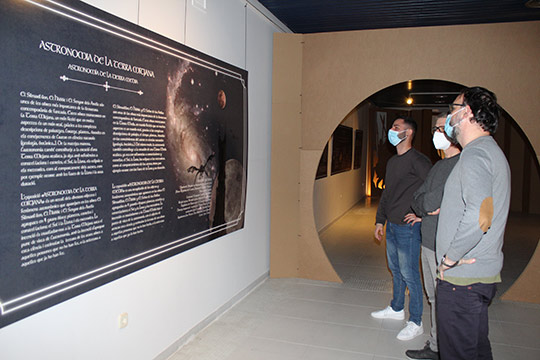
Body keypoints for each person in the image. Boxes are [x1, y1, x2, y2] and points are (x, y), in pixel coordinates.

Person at [436, 87, 510, 360]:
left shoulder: (475, 154)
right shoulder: (490, 151)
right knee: (476, 350)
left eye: (452, 109)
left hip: (462, 281)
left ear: (466, 112)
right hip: (478, 277)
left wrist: (450, 259)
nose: (448, 117)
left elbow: (481, 216)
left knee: (457, 352)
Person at [404, 115, 461, 360]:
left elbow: (428, 200)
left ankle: (445, 348)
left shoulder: (462, 164)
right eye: (435, 128)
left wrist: (427, 205)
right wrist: (426, 208)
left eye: (440, 128)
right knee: (434, 298)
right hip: (428, 241)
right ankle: (436, 346)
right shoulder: (439, 166)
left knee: (445, 301)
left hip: (445, 246)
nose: (435, 133)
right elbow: (419, 200)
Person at [372, 116, 432, 341]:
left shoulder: (419, 160)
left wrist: (421, 214)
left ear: (408, 133)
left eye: (396, 127)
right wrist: (380, 220)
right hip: (393, 226)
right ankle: (397, 308)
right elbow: (388, 193)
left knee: (410, 274)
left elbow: (434, 187)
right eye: (391, 127)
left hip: (408, 228)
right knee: (395, 270)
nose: (391, 130)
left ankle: (416, 321)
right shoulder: (392, 162)